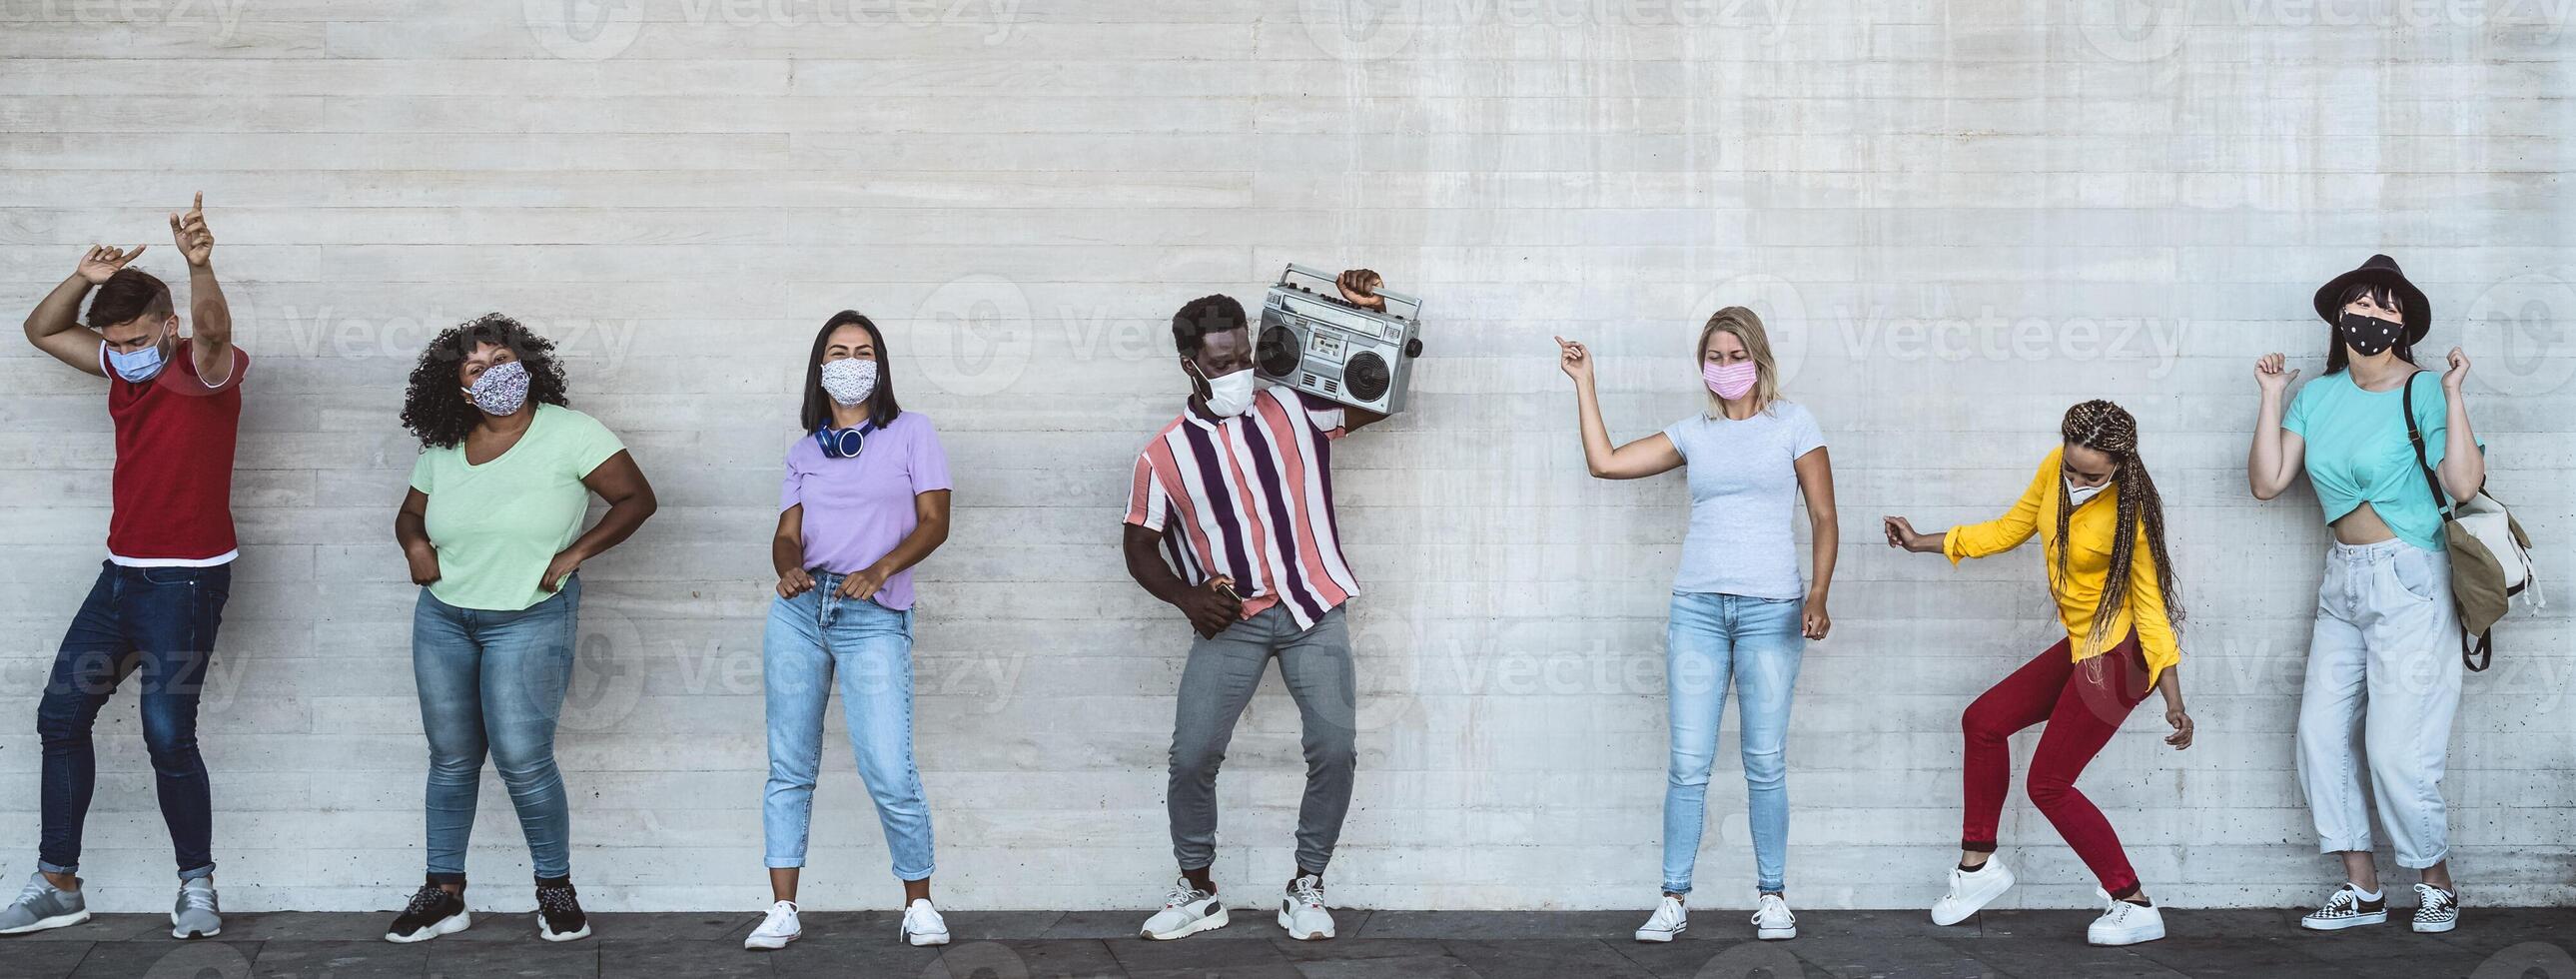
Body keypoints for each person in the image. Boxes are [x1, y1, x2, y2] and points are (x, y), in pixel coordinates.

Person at [1552, 308, 1838, 944]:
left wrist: (1817, 594)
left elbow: (1823, 516)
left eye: (1738, 355)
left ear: (1759, 359)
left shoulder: (1794, 424)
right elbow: (1606, 462)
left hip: (1773, 612)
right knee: (1688, 763)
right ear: (1703, 365)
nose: (1727, 367)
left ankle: (1772, 896)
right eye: (1715, 357)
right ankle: (1673, 898)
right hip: (1699, 611)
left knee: (1764, 761)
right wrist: (1584, 382)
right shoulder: (1695, 433)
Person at [1124, 270, 1390, 942]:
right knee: (1191, 756)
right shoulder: (1163, 457)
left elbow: (1377, 395)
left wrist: (1373, 314)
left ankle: (1306, 887)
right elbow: (1138, 545)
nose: (1238, 369)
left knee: (1334, 746)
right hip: (1233, 620)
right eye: (1222, 362)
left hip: (1313, 607)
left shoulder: (1294, 407)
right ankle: (1198, 888)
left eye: (1243, 355)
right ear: (1190, 365)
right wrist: (1188, 599)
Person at [4, 195, 239, 941]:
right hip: (121, 576)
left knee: (168, 733)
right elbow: (42, 330)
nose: (126, 352)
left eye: (138, 338)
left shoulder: (207, 370)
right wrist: (81, 277)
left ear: (166, 326)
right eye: (116, 341)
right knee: (60, 716)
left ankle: (196, 888)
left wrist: (199, 266)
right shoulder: (122, 365)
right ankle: (58, 883)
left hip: (186, 580)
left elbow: (213, 329)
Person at [383, 314, 656, 944]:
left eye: (502, 359)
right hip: (444, 619)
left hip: (529, 618)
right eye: (475, 368)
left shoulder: (573, 434)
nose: (493, 374)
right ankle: (444, 895)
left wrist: (572, 556)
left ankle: (555, 891)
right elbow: (408, 515)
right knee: (451, 760)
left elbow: (637, 499)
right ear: (458, 387)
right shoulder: (445, 447)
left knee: (523, 758)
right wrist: (415, 545)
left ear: (526, 364)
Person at [1884, 400, 2195, 947]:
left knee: (2048, 784)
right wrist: (1923, 542)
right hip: (2083, 644)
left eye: (2090, 475)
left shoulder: (2134, 513)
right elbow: (2008, 529)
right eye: (2072, 468)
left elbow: (2149, 607)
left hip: (2122, 655)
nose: (2076, 479)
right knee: (1984, 721)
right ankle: (1978, 869)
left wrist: (2172, 693)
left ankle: (2134, 903)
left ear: (2120, 466)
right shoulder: (2055, 467)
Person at [2247, 255, 2481, 934]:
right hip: (2342, 580)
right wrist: (2270, 398)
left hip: (2410, 578)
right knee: (2318, 737)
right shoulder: (2316, 396)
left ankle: (2433, 882)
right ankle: (2362, 890)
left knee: (2394, 749)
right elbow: (2268, 483)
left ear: (2403, 323)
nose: (2372, 317)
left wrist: (2456, 394)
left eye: (2387, 308)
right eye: (2361, 304)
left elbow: (2462, 485)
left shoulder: (2426, 389)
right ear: (2339, 315)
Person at [743, 312, 954, 951]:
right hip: (801, 612)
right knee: (789, 764)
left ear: (880, 365)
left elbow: (935, 521)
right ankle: (782, 908)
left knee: (888, 764)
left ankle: (918, 903)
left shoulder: (912, 433)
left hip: (874, 611)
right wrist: (787, 570)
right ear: (821, 366)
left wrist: (880, 570)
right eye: (839, 351)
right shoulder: (804, 451)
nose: (852, 360)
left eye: (864, 350)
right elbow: (787, 534)